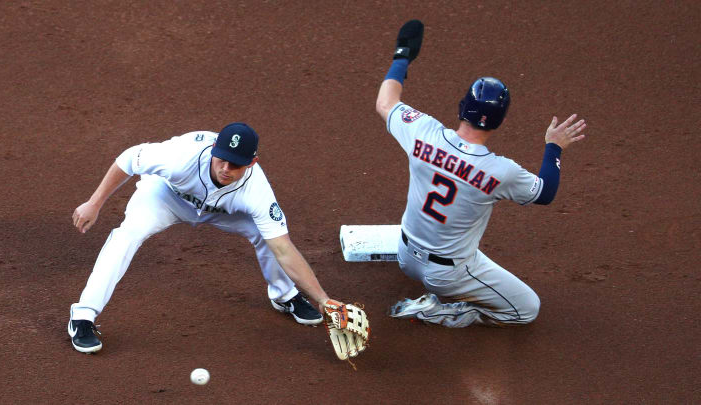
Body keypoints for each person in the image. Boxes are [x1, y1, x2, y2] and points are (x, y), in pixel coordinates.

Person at [375, 20, 587, 328]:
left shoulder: (423, 132)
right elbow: (545, 192)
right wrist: (554, 147)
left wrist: (403, 55)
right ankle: (439, 311)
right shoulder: (500, 171)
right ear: (499, 123)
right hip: (448, 275)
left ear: (462, 108)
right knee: (527, 309)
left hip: (405, 255)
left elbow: (385, 102)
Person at [68, 123, 340, 353]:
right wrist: (95, 203)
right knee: (127, 235)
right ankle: (83, 315)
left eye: (235, 164)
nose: (225, 168)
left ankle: (285, 295)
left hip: (223, 211)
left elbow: (283, 248)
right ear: (213, 150)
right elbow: (128, 159)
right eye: (221, 158)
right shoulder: (179, 157)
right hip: (166, 197)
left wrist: (324, 300)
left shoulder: (256, 190)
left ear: (252, 163)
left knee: (266, 234)